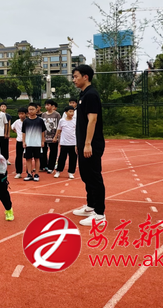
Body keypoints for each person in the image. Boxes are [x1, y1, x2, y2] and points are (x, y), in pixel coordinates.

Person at [71, 64, 107, 227]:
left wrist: (87, 144)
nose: (74, 80)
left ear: (85, 77)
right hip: (83, 143)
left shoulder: (91, 95)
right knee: (86, 176)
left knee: (94, 177)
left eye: (76, 76)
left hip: (91, 144)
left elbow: (92, 120)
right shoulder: (83, 94)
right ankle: (91, 206)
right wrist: (79, 143)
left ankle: (99, 214)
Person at [22, 102, 46, 181]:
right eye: (29, 109)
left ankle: (36, 174)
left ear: (36, 110)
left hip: (37, 143)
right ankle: (29, 174)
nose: (31, 111)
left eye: (33, 109)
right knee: (28, 159)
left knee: (37, 159)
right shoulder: (25, 121)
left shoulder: (40, 120)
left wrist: (42, 141)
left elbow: (43, 131)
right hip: (28, 143)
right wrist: (23, 142)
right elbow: (23, 132)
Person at [53, 106, 77, 179]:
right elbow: (59, 129)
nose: (72, 113)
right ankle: (58, 171)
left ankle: (71, 172)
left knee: (73, 158)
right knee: (62, 158)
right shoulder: (62, 121)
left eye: (73, 112)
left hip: (73, 142)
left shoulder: (75, 121)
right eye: (70, 111)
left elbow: (77, 131)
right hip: (64, 142)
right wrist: (55, 137)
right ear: (66, 112)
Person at [41, 99, 61, 173]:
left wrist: (56, 136)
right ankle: (44, 165)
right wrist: (42, 137)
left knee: (53, 152)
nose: (46, 106)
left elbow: (59, 126)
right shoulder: (43, 115)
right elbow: (42, 127)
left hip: (53, 136)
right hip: (45, 136)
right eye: (46, 105)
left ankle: (51, 167)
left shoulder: (57, 115)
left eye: (48, 105)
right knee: (43, 151)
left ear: (52, 106)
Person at [11, 107, 27, 179]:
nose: (21, 115)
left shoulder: (28, 121)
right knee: (18, 156)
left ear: (26, 114)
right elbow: (12, 127)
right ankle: (18, 172)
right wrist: (17, 132)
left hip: (27, 141)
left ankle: (29, 172)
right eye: (19, 114)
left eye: (22, 114)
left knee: (28, 157)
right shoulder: (17, 122)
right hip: (19, 141)